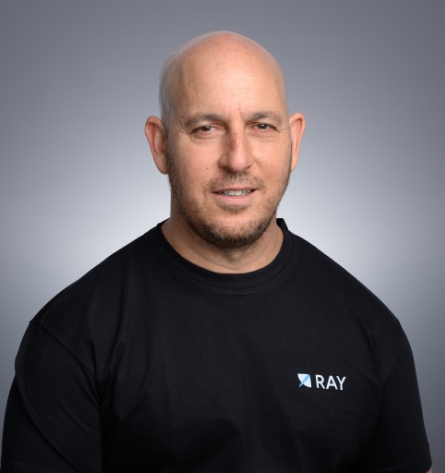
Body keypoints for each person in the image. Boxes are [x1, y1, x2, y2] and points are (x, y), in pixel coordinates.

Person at [1, 31, 432, 473]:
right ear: (160, 144)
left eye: (261, 126)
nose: (237, 159)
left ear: (294, 141)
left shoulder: (373, 331)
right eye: (206, 128)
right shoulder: (73, 336)